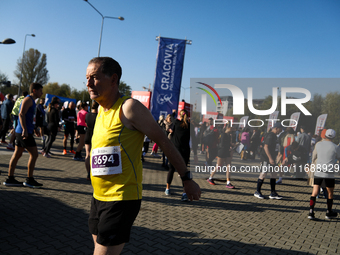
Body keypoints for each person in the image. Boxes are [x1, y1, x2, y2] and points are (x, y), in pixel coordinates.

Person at [86, 57, 200, 254]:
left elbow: (164, 142)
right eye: (86, 78)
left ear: (113, 80)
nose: (88, 83)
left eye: (94, 78)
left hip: (121, 198)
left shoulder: (129, 108)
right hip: (98, 197)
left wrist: (186, 178)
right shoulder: (101, 112)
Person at [3, 83, 43, 188]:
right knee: (34, 154)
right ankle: (29, 179)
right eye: (40, 91)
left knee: (17, 154)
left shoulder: (32, 101)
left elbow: (29, 117)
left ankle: (10, 178)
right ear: (34, 90)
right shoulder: (28, 99)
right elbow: (21, 114)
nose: (41, 93)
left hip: (25, 131)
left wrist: (34, 128)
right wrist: (25, 129)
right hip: (24, 132)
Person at [308, 129, 340, 220]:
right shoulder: (335, 147)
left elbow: (314, 157)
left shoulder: (318, 144)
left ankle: (311, 212)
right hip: (329, 173)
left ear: (325, 135)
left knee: (314, 192)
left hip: (318, 171)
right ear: (334, 137)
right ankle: (329, 212)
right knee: (330, 193)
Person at [164, 109, 196, 200]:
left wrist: (174, 112)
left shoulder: (177, 123)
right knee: (184, 172)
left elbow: (171, 117)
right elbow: (194, 140)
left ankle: (167, 189)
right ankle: (184, 193)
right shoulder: (190, 126)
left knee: (171, 169)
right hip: (185, 151)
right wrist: (196, 154)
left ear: (180, 116)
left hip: (174, 150)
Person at [254, 122, 283, 199]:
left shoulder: (272, 135)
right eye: (280, 129)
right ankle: (257, 191)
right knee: (263, 174)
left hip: (272, 158)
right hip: (266, 159)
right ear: (276, 128)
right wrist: (270, 158)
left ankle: (273, 193)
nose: (280, 131)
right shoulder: (271, 135)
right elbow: (265, 147)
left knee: (274, 174)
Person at [85, 100, 99, 180]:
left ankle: (88, 173)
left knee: (87, 155)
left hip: (88, 134)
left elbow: (86, 124)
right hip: (95, 136)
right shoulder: (98, 116)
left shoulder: (87, 115)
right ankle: (94, 173)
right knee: (95, 155)